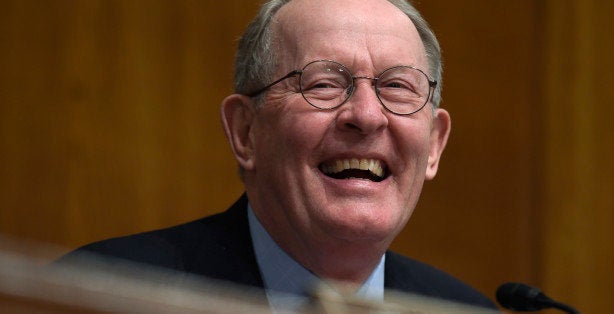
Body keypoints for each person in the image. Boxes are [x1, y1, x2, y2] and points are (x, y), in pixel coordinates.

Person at [60, 0, 496, 310]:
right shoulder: (103, 294)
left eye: (397, 87)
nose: (366, 115)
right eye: (323, 83)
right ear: (246, 131)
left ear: (435, 143)